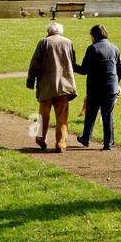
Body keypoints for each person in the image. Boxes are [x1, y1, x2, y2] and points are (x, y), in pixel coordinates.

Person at [27, 21, 78, 152]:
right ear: (60, 31)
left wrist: (30, 79)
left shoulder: (44, 42)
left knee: (43, 114)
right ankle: (60, 143)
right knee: (62, 116)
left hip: (46, 85)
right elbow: (72, 63)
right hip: (65, 85)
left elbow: (35, 63)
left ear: (48, 31)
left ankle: (40, 137)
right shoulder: (68, 42)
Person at [75, 24, 121, 150]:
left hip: (95, 88)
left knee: (91, 114)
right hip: (111, 88)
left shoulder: (92, 48)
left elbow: (84, 70)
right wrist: (116, 82)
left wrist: (71, 65)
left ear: (93, 36)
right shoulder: (114, 48)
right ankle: (108, 143)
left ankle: (86, 138)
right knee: (108, 115)